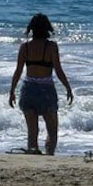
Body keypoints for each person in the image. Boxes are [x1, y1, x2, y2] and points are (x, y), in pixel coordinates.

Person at [9, 13, 73, 155]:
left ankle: (33, 155)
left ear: (31, 28)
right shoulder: (51, 47)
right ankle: (49, 156)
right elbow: (58, 70)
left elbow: (18, 71)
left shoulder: (25, 47)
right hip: (46, 91)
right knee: (52, 131)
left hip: (28, 90)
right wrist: (68, 87)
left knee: (32, 132)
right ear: (47, 28)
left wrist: (12, 91)